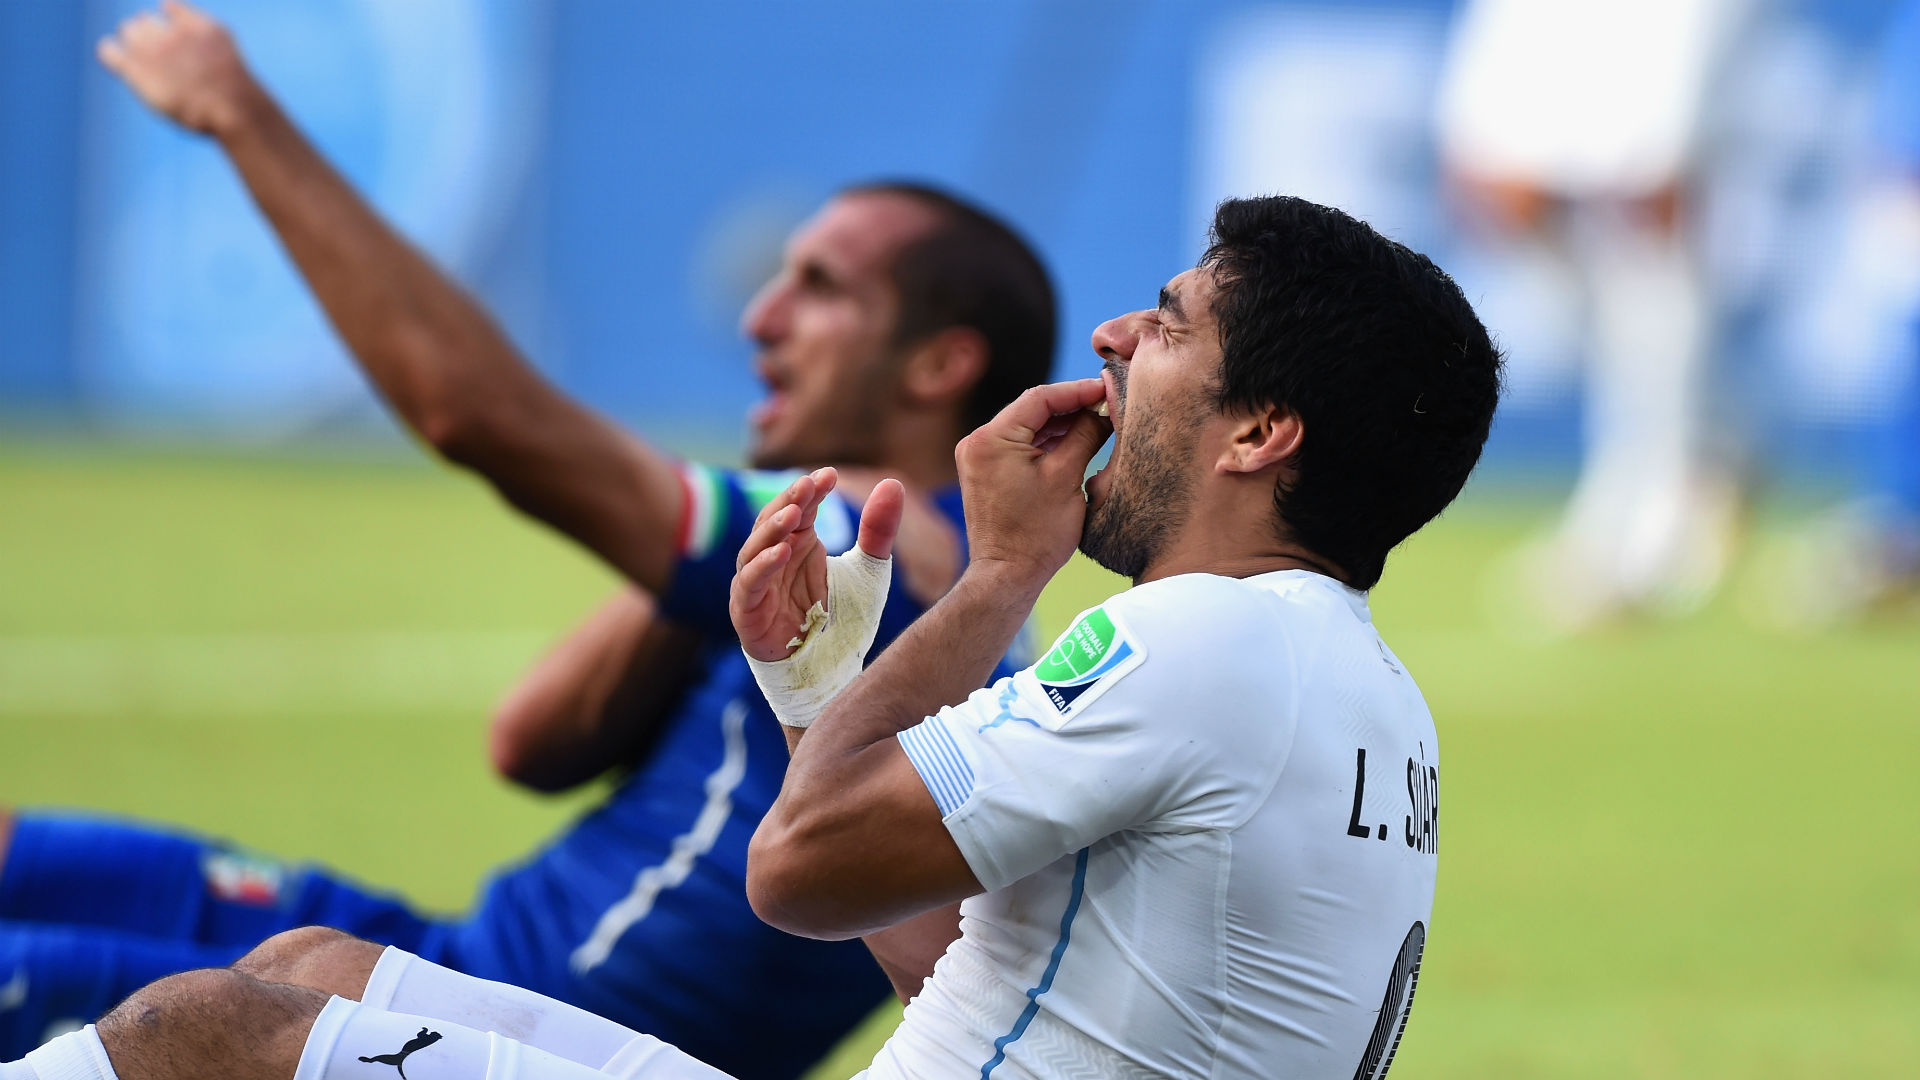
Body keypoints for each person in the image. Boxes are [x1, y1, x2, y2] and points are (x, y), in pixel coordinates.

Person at [1, 194, 1502, 1080]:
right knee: (318, 967)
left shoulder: (1198, 649)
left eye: (1170, 322)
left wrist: (995, 579)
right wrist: (815, 682)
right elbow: (945, 960)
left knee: (209, 1033)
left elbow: (793, 872)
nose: (1114, 339)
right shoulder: (1363, 692)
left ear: (1262, 434)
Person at [0, 3, 1054, 1076]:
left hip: (505, 1023)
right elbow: (532, 742)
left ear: (936, 368)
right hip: (445, 952)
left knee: (143, 1009)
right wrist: (702, 594)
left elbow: (475, 414)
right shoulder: (870, 570)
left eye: (820, 289)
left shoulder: (869, 533)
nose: (760, 319)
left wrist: (240, 113)